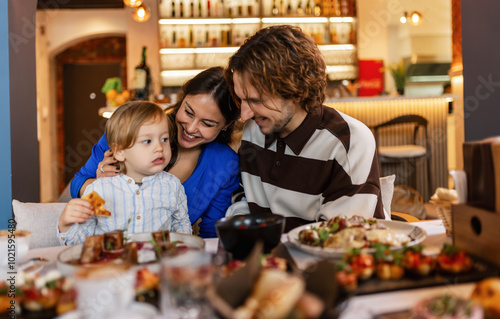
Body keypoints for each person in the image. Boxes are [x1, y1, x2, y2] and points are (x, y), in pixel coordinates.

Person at [225, 25, 385, 231]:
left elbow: (339, 238)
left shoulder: (349, 142)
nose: (245, 114)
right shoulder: (254, 130)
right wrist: (241, 227)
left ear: (296, 92)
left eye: (255, 100)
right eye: (241, 99)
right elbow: (246, 198)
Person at [70, 67, 240, 238]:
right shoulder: (130, 130)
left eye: (207, 123)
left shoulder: (225, 164)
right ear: (182, 99)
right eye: (188, 112)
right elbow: (77, 184)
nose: (191, 128)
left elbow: (211, 232)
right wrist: (98, 185)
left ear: (225, 125)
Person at [57, 101, 192, 245]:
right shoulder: (98, 190)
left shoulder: (172, 186)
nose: (159, 147)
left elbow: (182, 227)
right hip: (112, 265)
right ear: (120, 152)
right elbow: (81, 243)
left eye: (164, 139)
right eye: (147, 141)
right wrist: (65, 224)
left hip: (156, 264)